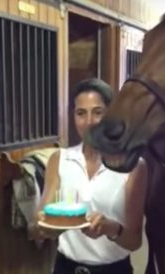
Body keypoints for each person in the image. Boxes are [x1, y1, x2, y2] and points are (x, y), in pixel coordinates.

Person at [33, 78, 148, 274]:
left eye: (98, 112)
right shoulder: (59, 159)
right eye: (80, 113)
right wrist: (45, 229)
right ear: (73, 116)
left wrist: (110, 228)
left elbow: (134, 242)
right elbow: (39, 223)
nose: (89, 122)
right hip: (65, 268)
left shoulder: (133, 166)